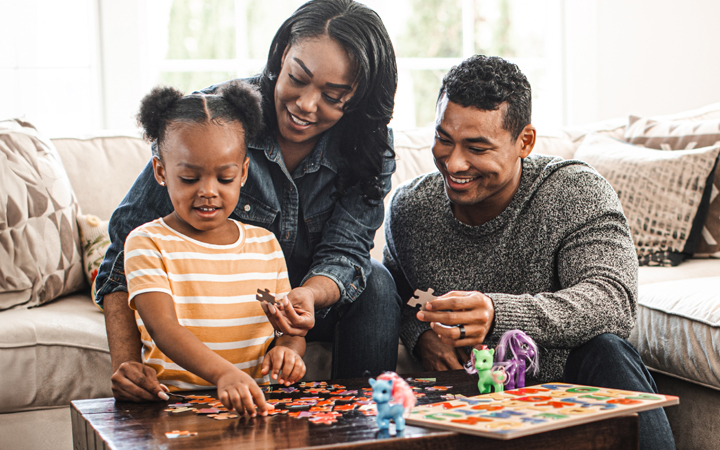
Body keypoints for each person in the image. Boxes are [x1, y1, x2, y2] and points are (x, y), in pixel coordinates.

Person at [95, 0, 402, 403]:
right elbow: (123, 250)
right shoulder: (212, 124)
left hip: (308, 306)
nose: (307, 105)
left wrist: (304, 300)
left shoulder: (369, 146)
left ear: (358, 97)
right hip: (221, 301)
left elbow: (346, 254)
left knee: (377, 283)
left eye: (333, 95)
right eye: (297, 78)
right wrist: (126, 362)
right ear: (280, 56)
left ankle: (363, 424)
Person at [383, 55, 674, 449]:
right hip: (469, 398)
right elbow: (398, 290)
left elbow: (613, 300)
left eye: (477, 147)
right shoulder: (409, 209)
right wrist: (420, 336)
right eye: (444, 139)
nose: (453, 162)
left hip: (565, 387)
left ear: (525, 141)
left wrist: (498, 313)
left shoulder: (574, 191)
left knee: (608, 350)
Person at [126, 84, 305, 417]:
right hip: (176, 407)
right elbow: (163, 328)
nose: (208, 191)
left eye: (224, 178)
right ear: (161, 172)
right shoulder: (146, 242)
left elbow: (284, 328)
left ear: (243, 174)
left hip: (252, 406)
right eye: (190, 178)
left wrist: (289, 351)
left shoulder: (264, 244)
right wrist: (224, 373)